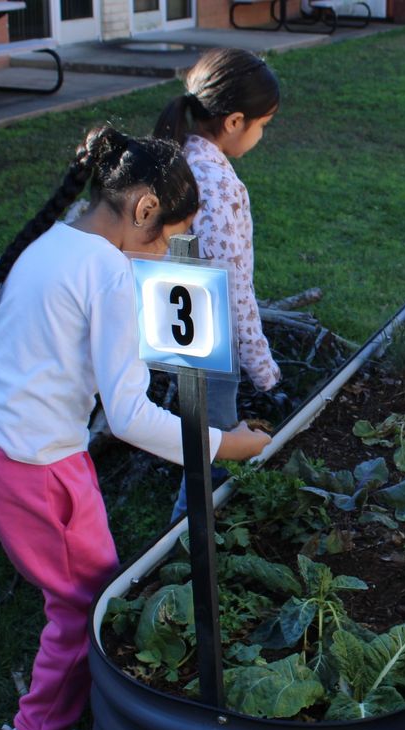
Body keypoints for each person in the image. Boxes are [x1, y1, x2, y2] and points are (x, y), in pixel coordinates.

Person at [0, 125, 272, 730]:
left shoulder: (60, 238)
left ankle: (70, 706)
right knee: (84, 599)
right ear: (145, 210)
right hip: (31, 456)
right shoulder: (105, 268)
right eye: (165, 238)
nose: (163, 256)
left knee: (95, 575)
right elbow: (128, 416)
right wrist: (225, 444)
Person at [154, 47, 282, 520]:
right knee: (214, 446)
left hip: (169, 319)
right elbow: (233, 286)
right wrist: (263, 368)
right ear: (233, 122)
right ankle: (188, 540)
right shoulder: (221, 184)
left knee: (196, 430)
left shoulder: (176, 154)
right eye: (262, 124)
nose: (261, 135)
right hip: (209, 334)